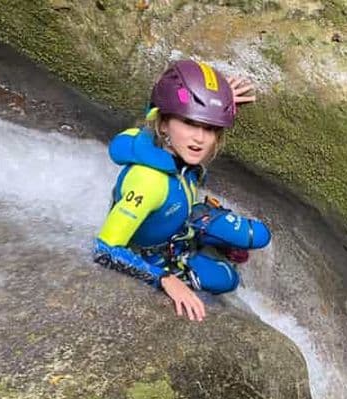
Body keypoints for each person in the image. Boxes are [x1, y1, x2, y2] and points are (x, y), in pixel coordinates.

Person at [93, 59, 269, 321]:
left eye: (210, 128)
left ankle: (202, 234)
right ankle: (193, 253)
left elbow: (156, 109)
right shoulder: (148, 181)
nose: (200, 139)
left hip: (183, 219)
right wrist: (164, 279)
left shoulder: (168, 145)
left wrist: (219, 103)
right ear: (163, 124)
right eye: (189, 123)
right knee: (228, 279)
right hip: (156, 254)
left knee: (259, 235)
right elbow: (104, 249)